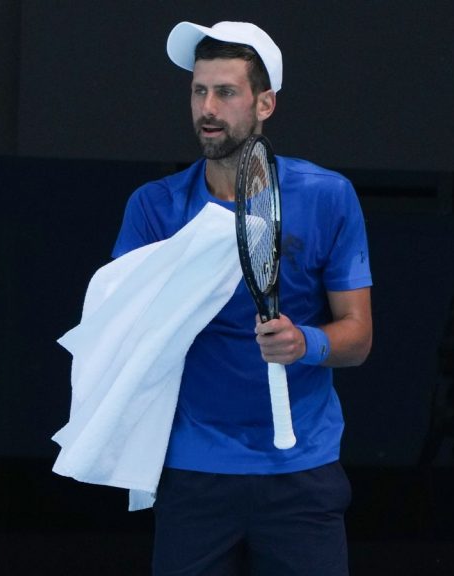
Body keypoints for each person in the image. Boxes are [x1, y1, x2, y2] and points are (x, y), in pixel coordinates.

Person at [112, 21, 373, 575]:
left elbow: (358, 338)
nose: (208, 107)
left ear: (265, 103)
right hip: (192, 473)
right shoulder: (154, 208)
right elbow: (119, 336)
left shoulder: (329, 197)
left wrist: (306, 342)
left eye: (226, 92)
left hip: (303, 475)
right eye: (198, 90)